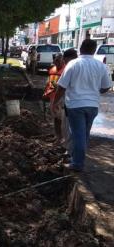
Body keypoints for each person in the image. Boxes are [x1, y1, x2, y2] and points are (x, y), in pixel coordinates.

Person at [52, 39, 112, 171]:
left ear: (81, 48)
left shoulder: (73, 64)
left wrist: (54, 102)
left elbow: (61, 87)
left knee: (78, 134)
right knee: (84, 134)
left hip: (75, 105)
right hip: (92, 106)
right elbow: (106, 87)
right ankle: (76, 158)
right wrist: (95, 90)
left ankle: (77, 163)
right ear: (94, 50)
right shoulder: (101, 66)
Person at [43, 53, 65, 142]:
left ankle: (63, 137)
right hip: (53, 97)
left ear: (63, 60)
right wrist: (45, 93)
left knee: (61, 118)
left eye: (58, 60)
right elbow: (49, 83)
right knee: (56, 118)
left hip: (62, 98)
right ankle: (58, 136)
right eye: (55, 60)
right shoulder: (52, 70)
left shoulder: (66, 70)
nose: (57, 62)